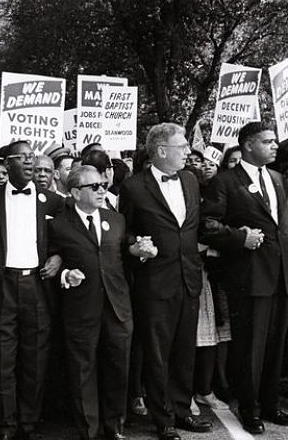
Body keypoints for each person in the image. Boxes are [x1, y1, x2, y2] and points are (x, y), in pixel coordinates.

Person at [118, 123, 210, 440]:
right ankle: (163, 418)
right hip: (155, 283)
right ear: (161, 151)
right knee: (157, 354)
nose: (188, 151)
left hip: (189, 279)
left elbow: (193, 228)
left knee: (185, 351)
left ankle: (183, 411)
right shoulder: (133, 187)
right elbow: (124, 232)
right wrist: (135, 247)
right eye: (181, 146)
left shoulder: (190, 180)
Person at [200, 121, 288, 434]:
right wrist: (240, 237)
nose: (274, 146)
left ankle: (269, 403)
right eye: (267, 141)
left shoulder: (277, 179)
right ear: (248, 145)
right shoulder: (225, 181)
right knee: (250, 348)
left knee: (275, 346)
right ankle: (249, 409)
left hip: (280, 277)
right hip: (249, 278)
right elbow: (207, 224)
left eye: (274, 141)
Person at [0, 141, 64, 440]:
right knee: (2, 357)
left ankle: (29, 421)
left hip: (39, 286)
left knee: (36, 357)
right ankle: (6, 423)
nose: (30, 162)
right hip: (3, 286)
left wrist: (58, 256)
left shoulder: (53, 201)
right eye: (24, 157)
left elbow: (63, 240)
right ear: (8, 163)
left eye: (32, 157)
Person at [49, 166, 132, 440]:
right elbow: (51, 258)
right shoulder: (58, 224)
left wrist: (140, 250)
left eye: (102, 184)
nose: (101, 189)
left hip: (117, 307)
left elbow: (126, 255)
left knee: (117, 367)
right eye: (93, 186)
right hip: (81, 308)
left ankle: (114, 426)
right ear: (75, 192)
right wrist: (65, 274)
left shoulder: (116, 219)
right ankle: (89, 430)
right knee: (83, 370)